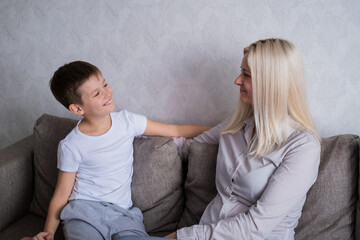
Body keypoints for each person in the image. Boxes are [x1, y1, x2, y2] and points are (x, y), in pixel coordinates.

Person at [22, 61, 210, 240]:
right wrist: (48, 232)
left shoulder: (127, 122)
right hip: (84, 213)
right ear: (77, 108)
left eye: (105, 84)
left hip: (124, 215)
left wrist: (222, 130)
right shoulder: (71, 145)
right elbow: (61, 194)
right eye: (96, 93)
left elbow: (176, 130)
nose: (107, 93)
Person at [165, 38, 321, 239]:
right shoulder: (237, 124)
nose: (237, 81)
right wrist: (128, 131)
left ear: (271, 83)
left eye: (246, 75)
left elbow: (255, 227)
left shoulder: (303, 148)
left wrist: (180, 237)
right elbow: (192, 146)